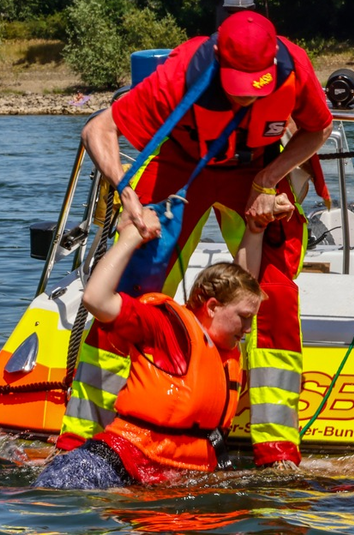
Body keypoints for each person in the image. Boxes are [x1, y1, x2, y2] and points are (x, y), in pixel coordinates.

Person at [58, 9, 333, 468]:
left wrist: (269, 179)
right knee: (131, 293)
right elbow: (98, 129)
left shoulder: (295, 66)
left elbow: (319, 128)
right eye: (237, 89)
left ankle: (277, 451)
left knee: (276, 296)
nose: (246, 100)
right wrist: (127, 196)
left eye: (255, 91)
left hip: (256, 169)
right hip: (181, 168)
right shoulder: (179, 73)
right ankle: (81, 436)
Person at [34, 209, 265, 488]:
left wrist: (254, 231)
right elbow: (95, 299)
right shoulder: (165, 327)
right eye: (245, 318)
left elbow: (246, 284)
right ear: (213, 307)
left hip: (169, 477)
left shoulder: (225, 350)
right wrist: (130, 237)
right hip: (112, 466)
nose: (249, 328)